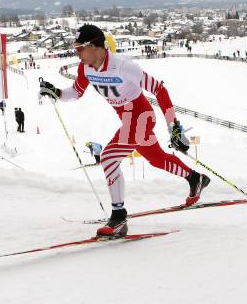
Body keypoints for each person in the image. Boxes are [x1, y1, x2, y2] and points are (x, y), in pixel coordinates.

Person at [39, 24, 210, 237]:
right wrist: (55, 91)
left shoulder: (122, 66)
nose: (77, 53)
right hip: (127, 119)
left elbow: (159, 89)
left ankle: (118, 217)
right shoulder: (86, 68)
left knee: (109, 157)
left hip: (141, 116)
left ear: (94, 46)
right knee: (156, 159)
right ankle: (195, 178)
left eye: (79, 48)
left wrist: (173, 126)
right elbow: (76, 92)